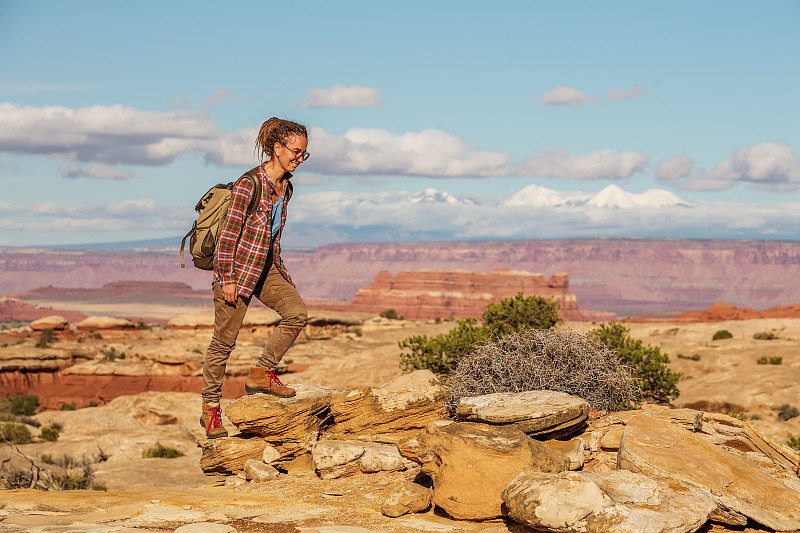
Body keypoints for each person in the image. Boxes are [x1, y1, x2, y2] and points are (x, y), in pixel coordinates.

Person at [200, 117, 310, 439]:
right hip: (235, 271)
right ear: (277, 148)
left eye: (304, 154)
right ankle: (210, 410)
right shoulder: (250, 183)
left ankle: (262, 372)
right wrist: (228, 278)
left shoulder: (286, 187)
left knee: (297, 313)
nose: (299, 159)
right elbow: (228, 236)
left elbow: (271, 238)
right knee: (223, 343)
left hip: (265, 269)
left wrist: (281, 274)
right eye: (295, 151)